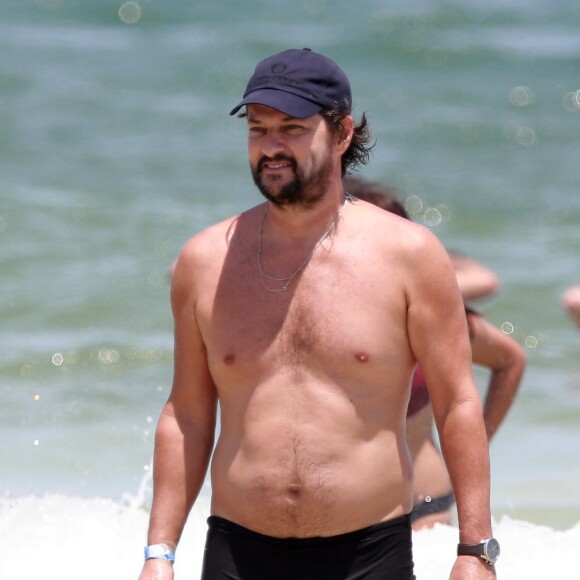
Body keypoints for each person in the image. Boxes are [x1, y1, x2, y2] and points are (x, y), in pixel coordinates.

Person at [139, 48, 497, 580]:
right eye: (258, 130)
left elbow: (458, 402)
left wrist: (475, 551)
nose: (271, 147)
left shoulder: (409, 256)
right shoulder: (204, 260)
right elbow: (187, 414)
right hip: (238, 552)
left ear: (343, 133)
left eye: (292, 128)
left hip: (368, 554)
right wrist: (159, 554)